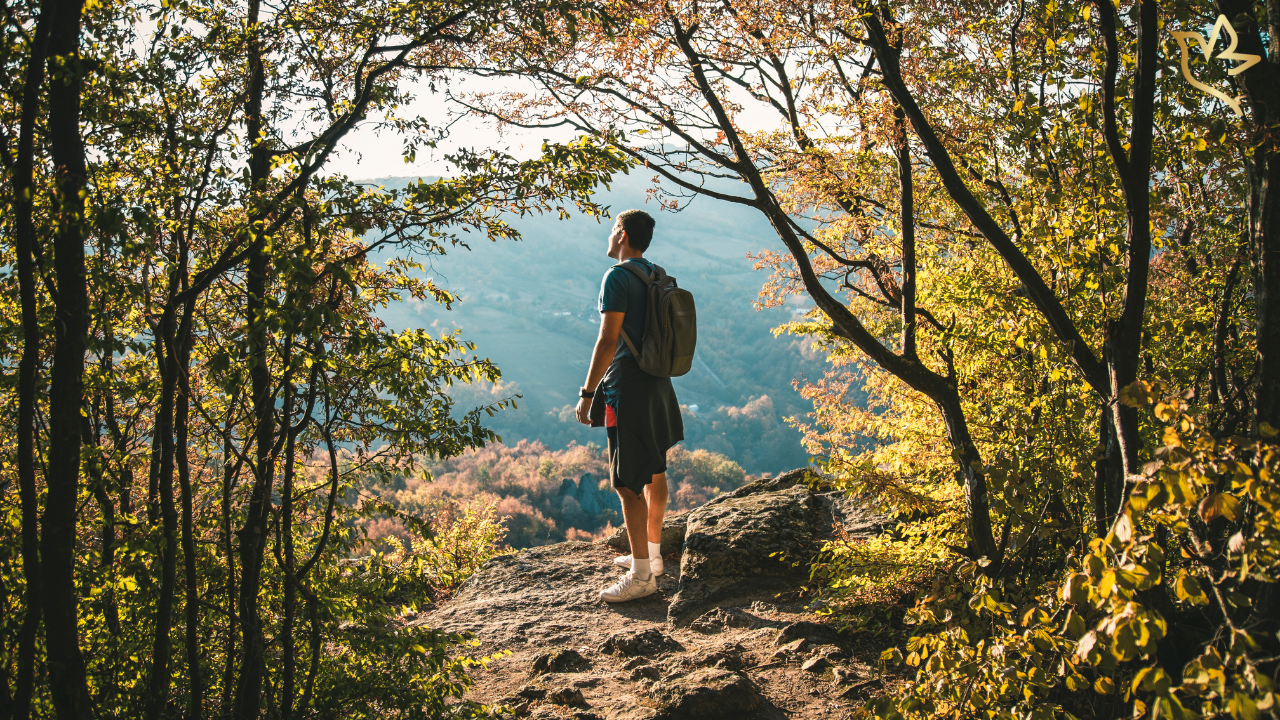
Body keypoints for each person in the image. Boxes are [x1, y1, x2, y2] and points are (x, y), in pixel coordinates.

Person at [575, 209, 684, 603]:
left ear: (621, 234)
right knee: (654, 468)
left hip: (629, 388)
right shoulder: (655, 272)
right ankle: (651, 556)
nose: (608, 236)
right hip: (658, 382)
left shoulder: (617, 276)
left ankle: (641, 578)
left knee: (625, 482)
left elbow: (608, 340)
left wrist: (587, 393)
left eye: (611, 229)